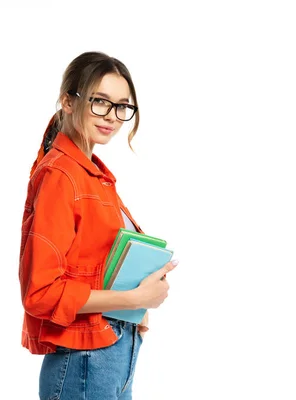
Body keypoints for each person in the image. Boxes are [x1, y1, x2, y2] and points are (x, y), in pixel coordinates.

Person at [18, 51, 178, 400]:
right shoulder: (62, 176)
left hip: (113, 351)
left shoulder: (93, 176)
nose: (113, 117)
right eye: (100, 102)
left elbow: (93, 265)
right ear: (68, 101)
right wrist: (131, 298)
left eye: (122, 106)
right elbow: (41, 292)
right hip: (85, 359)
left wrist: (137, 308)